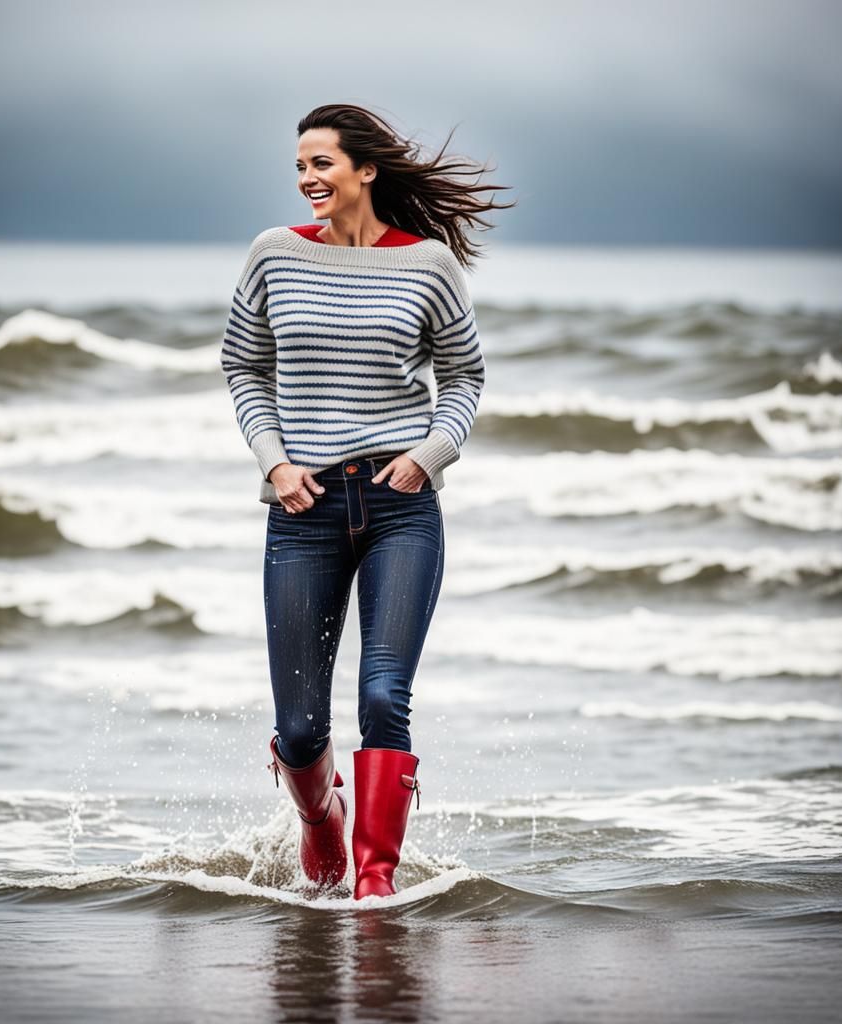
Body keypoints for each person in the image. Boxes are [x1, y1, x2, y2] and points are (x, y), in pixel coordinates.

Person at [220, 103, 514, 898]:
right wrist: (275, 464)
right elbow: (243, 367)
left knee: (385, 698)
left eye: (322, 164)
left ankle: (374, 886)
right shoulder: (274, 256)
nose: (309, 179)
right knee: (301, 728)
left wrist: (429, 455)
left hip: (399, 506)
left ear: (366, 169)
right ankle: (323, 826)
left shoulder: (426, 266)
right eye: (301, 168)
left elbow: (464, 379)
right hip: (303, 509)